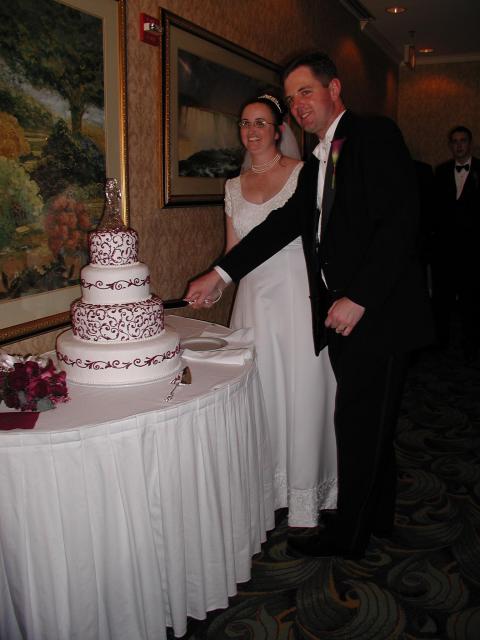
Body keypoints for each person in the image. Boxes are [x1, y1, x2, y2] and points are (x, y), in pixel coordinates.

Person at [186, 52, 434, 559]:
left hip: (378, 315)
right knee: (372, 423)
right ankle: (379, 515)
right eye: (292, 94)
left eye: (306, 91)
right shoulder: (321, 158)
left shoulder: (373, 135)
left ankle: (348, 537)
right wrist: (221, 272)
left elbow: (399, 222)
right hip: (342, 318)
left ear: (333, 88)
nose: (298, 104)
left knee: (359, 426)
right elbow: (281, 227)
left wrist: (358, 298)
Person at [224, 94, 337, 527]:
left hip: (294, 294)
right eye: (244, 122)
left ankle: (308, 493)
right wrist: (216, 289)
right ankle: (268, 489)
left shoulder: (303, 174)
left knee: (301, 390)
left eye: (260, 123)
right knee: (262, 395)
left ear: (277, 130)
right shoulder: (232, 187)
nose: (251, 131)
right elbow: (235, 252)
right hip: (253, 301)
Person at [431, 126, 480, 362]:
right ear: (450, 145)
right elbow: (435, 211)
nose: (459, 145)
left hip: (473, 251)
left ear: (470, 144)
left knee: (471, 301)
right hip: (446, 251)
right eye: (455, 141)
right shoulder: (440, 172)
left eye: (463, 141)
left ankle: (471, 345)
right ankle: (441, 344)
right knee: (442, 299)